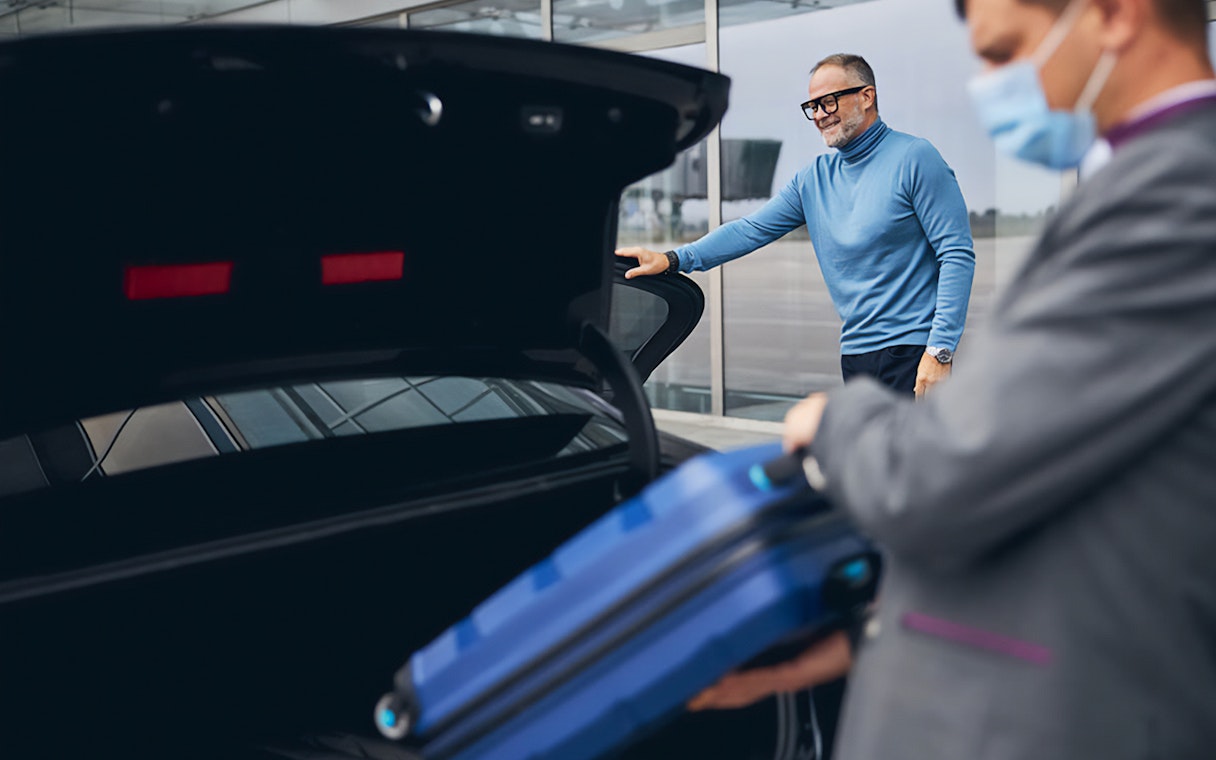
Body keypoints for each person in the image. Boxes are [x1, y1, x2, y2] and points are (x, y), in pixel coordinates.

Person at [697, 0, 1216, 757]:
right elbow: (1065, 479)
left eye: (1004, 52)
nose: (988, 84)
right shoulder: (1140, 179)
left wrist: (833, 422)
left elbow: (939, 475)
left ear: (1114, 15)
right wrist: (862, 633)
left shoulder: (1176, 192)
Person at [616, 54, 977, 398]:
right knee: (871, 462)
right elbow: (750, 229)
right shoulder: (813, 179)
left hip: (912, 350)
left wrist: (940, 351)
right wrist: (674, 259)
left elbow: (956, 253)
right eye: (813, 106)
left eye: (830, 102)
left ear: (866, 97)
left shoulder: (915, 157)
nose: (820, 115)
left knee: (915, 463)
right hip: (856, 353)